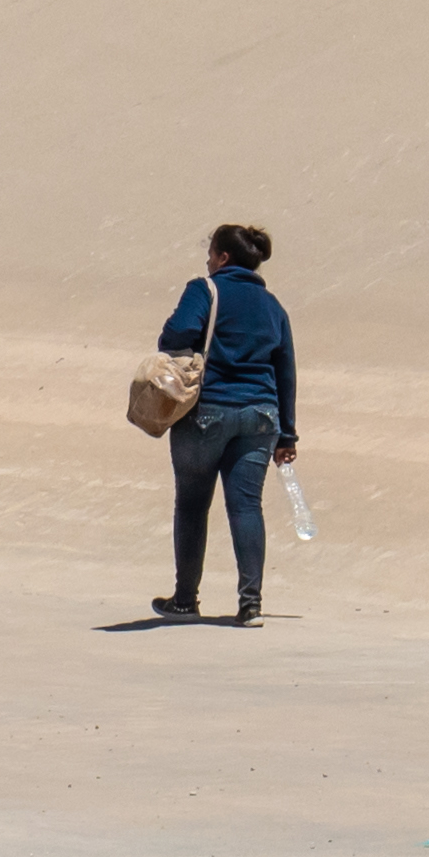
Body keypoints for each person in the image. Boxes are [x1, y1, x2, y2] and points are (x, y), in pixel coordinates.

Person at [151, 222, 297, 625]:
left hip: (208, 411)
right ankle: (250, 604)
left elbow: (176, 334)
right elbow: (285, 370)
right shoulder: (274, 307)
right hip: (262, 417)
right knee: (247, 506)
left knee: (193, 504)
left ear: (223, 258)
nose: (208, 260)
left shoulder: (205, 289)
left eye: (211, 253)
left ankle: (185, 601)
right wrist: (287, 434)